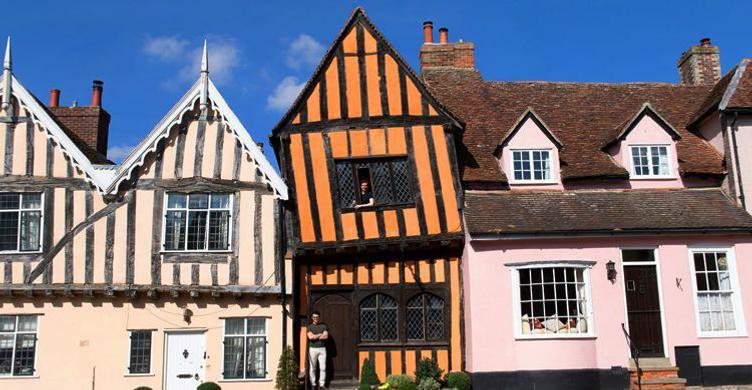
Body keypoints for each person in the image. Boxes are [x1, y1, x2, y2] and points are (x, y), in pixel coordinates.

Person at [307, 311, 328, 390]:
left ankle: (322, 384)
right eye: (314, 317)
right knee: (312, 367)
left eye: (317, 317)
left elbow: (325, 337)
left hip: (322, 349)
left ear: (319, 317)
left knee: (323, 368)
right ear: (312, 318)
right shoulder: (309, 327)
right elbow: (310, 337)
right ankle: (313, 384)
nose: (316, 318)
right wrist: (320, 334)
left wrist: (315, 335)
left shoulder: (323, 326)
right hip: (312, 349)